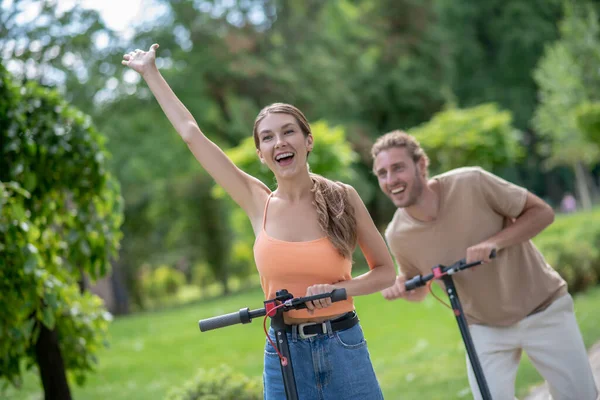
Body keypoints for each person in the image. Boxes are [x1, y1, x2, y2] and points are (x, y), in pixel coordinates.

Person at [122, 44, 395, 400]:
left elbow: (385, 272)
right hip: (284, 353)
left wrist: (337, 291)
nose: (279, 142)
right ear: (261, 154)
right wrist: (151, 74)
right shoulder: (257, 202)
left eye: (288, 132)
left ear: (307, 140)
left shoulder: (342, 198)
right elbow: (191, 134)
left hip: (343, 345)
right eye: (267, 137)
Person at [371, 130, 598, 400]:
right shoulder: (397, 234)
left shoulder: (471, 181)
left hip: (542, 307)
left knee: (580, 395)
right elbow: (419, 288)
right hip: (485, 328)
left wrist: (495, 243)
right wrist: (401, 286)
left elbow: (543, 213)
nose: (390, 180)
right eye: (382, 173)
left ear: (421, 165)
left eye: (398, 168)